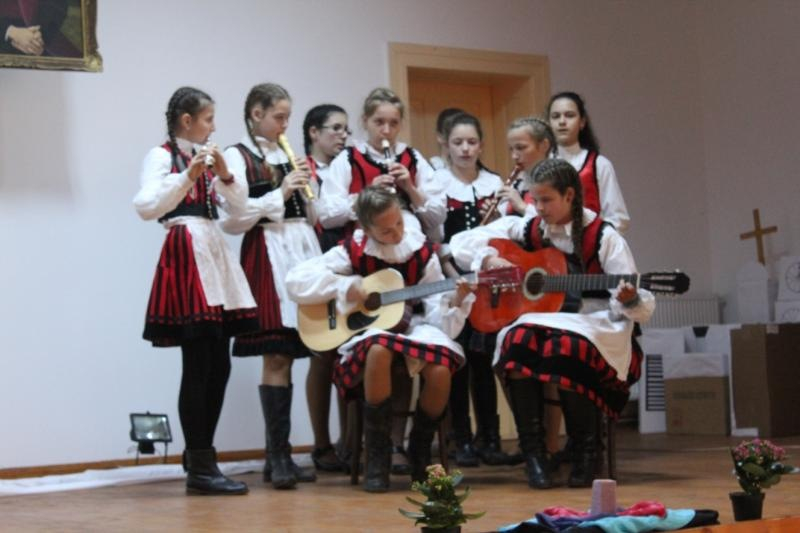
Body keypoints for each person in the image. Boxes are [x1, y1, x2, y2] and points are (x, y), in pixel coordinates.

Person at [450, 158, 653, 489]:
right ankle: (535, 455)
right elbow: (460, 242)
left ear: (570, 195)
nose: (539, 208)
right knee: (514, 341)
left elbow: (634, 300)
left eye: (546, 200)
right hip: (545, 319)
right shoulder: (531, 228)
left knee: (567, 347)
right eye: (535, 199)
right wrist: (489, 257)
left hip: (594, 321)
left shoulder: (602, 235)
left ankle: (587, 451)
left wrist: (629, 298)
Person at [286, 186, 473, 492]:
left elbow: (436, 311)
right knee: (378, 350)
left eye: (399, 223)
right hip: (372, 332)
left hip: (415, 326)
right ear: (366, 228)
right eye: (386, 230)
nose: (397, 233)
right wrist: (345, 286)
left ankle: (419, 452)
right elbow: (296, 281)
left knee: (440, 370)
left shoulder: (421, 251)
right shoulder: (352, 249)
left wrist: (455, 301)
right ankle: (377, 455)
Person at [133, 86, 258, 495]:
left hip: (213, 252)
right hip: (187, 252)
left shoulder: (206, 159)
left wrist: (225, 174)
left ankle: (199, 455)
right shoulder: (162, 156)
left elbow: (240, 209)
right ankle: (202, 465)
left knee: (219, 364)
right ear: (187, 121)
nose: (213, 127)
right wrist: (188, 175)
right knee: (199, 361)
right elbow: (147, 206)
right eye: (208, 119)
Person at [317, 87, 447, 475]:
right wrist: (368, 196)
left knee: (406, 345)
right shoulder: (348, 158)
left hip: (408, 253)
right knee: (372, 349)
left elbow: (436, 217)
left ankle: (399, 445)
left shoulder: (414, 159)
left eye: (393, 123)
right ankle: (360, 447)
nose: (386, 130)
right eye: (379, 122)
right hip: (364, 255)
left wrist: (409, 188)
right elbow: (327, 212)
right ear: (365, 122)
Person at [222, 83, 318, 490]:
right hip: (268, 250)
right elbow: (235, 217)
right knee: (276, 352)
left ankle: (280, 456)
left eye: (287, 117)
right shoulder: (237, 156)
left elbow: (313, 215)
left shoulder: (287, 154)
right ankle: (277, 457)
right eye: (279, 116)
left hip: (300, 249)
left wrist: (309, 188)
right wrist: (281, 191)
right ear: (256, 114)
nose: (284, 125)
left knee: (293, 352)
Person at [434, 112, 510, 467]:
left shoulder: (495, 183)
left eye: (472, 142)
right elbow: (435, 238)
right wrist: (455, 277)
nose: (465, 149)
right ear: (446, 144)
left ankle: (490, 438)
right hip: (452, 281)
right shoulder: (437, 183)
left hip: (489, 283)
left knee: (483, 359)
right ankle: (460, 438)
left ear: (481, 145)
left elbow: (505, 237)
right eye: (458, 142)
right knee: (458, 359)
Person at [301, 103, 351, 472]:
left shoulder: (351, 166)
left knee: (351, 351)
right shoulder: (302, 169)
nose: (343, 136)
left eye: (347, 129)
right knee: (323, 353)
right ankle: (322, 444)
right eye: (336, 128)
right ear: (314, 132)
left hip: (354, 262)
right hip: (318, 258)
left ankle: (351, 441)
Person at [547, 91, 629, 233]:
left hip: (588, 243)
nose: (562, 121)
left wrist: (593, 239)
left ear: (582, 122)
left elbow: (618, 219)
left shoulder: (599, 164)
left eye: (569, 115)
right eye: (555, 116)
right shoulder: (539, 165)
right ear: (549, 123)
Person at [495, 117, 556, 218]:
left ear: (544, 146)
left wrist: (522, 206)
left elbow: (557, 220)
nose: (514, 156)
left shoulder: (559, 180)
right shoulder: (517, 182)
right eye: (511, 149)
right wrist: (497, 217)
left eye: (520, 148)